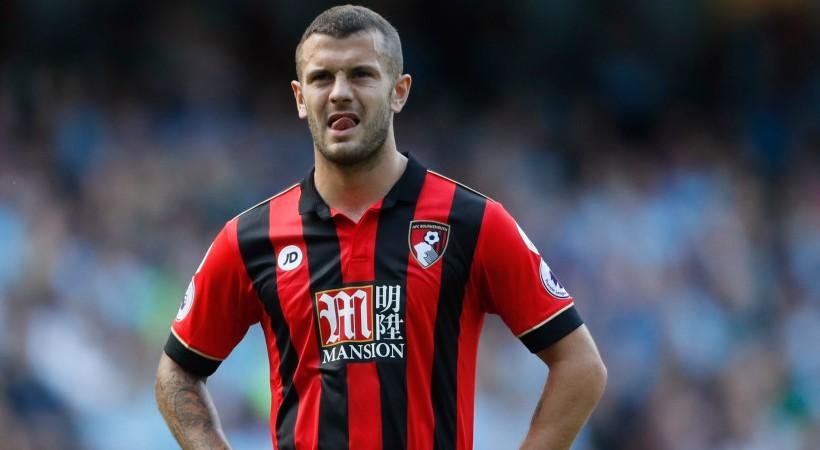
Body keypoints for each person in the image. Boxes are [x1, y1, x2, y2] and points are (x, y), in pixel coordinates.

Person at [154, 5, 606, 450]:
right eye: (321, 78)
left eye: (361, 75)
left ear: (399, 91)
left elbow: (580, 366)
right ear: (299, 98)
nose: (339, 92)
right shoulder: (251, 237)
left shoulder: (470, 221)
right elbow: (176, 373)